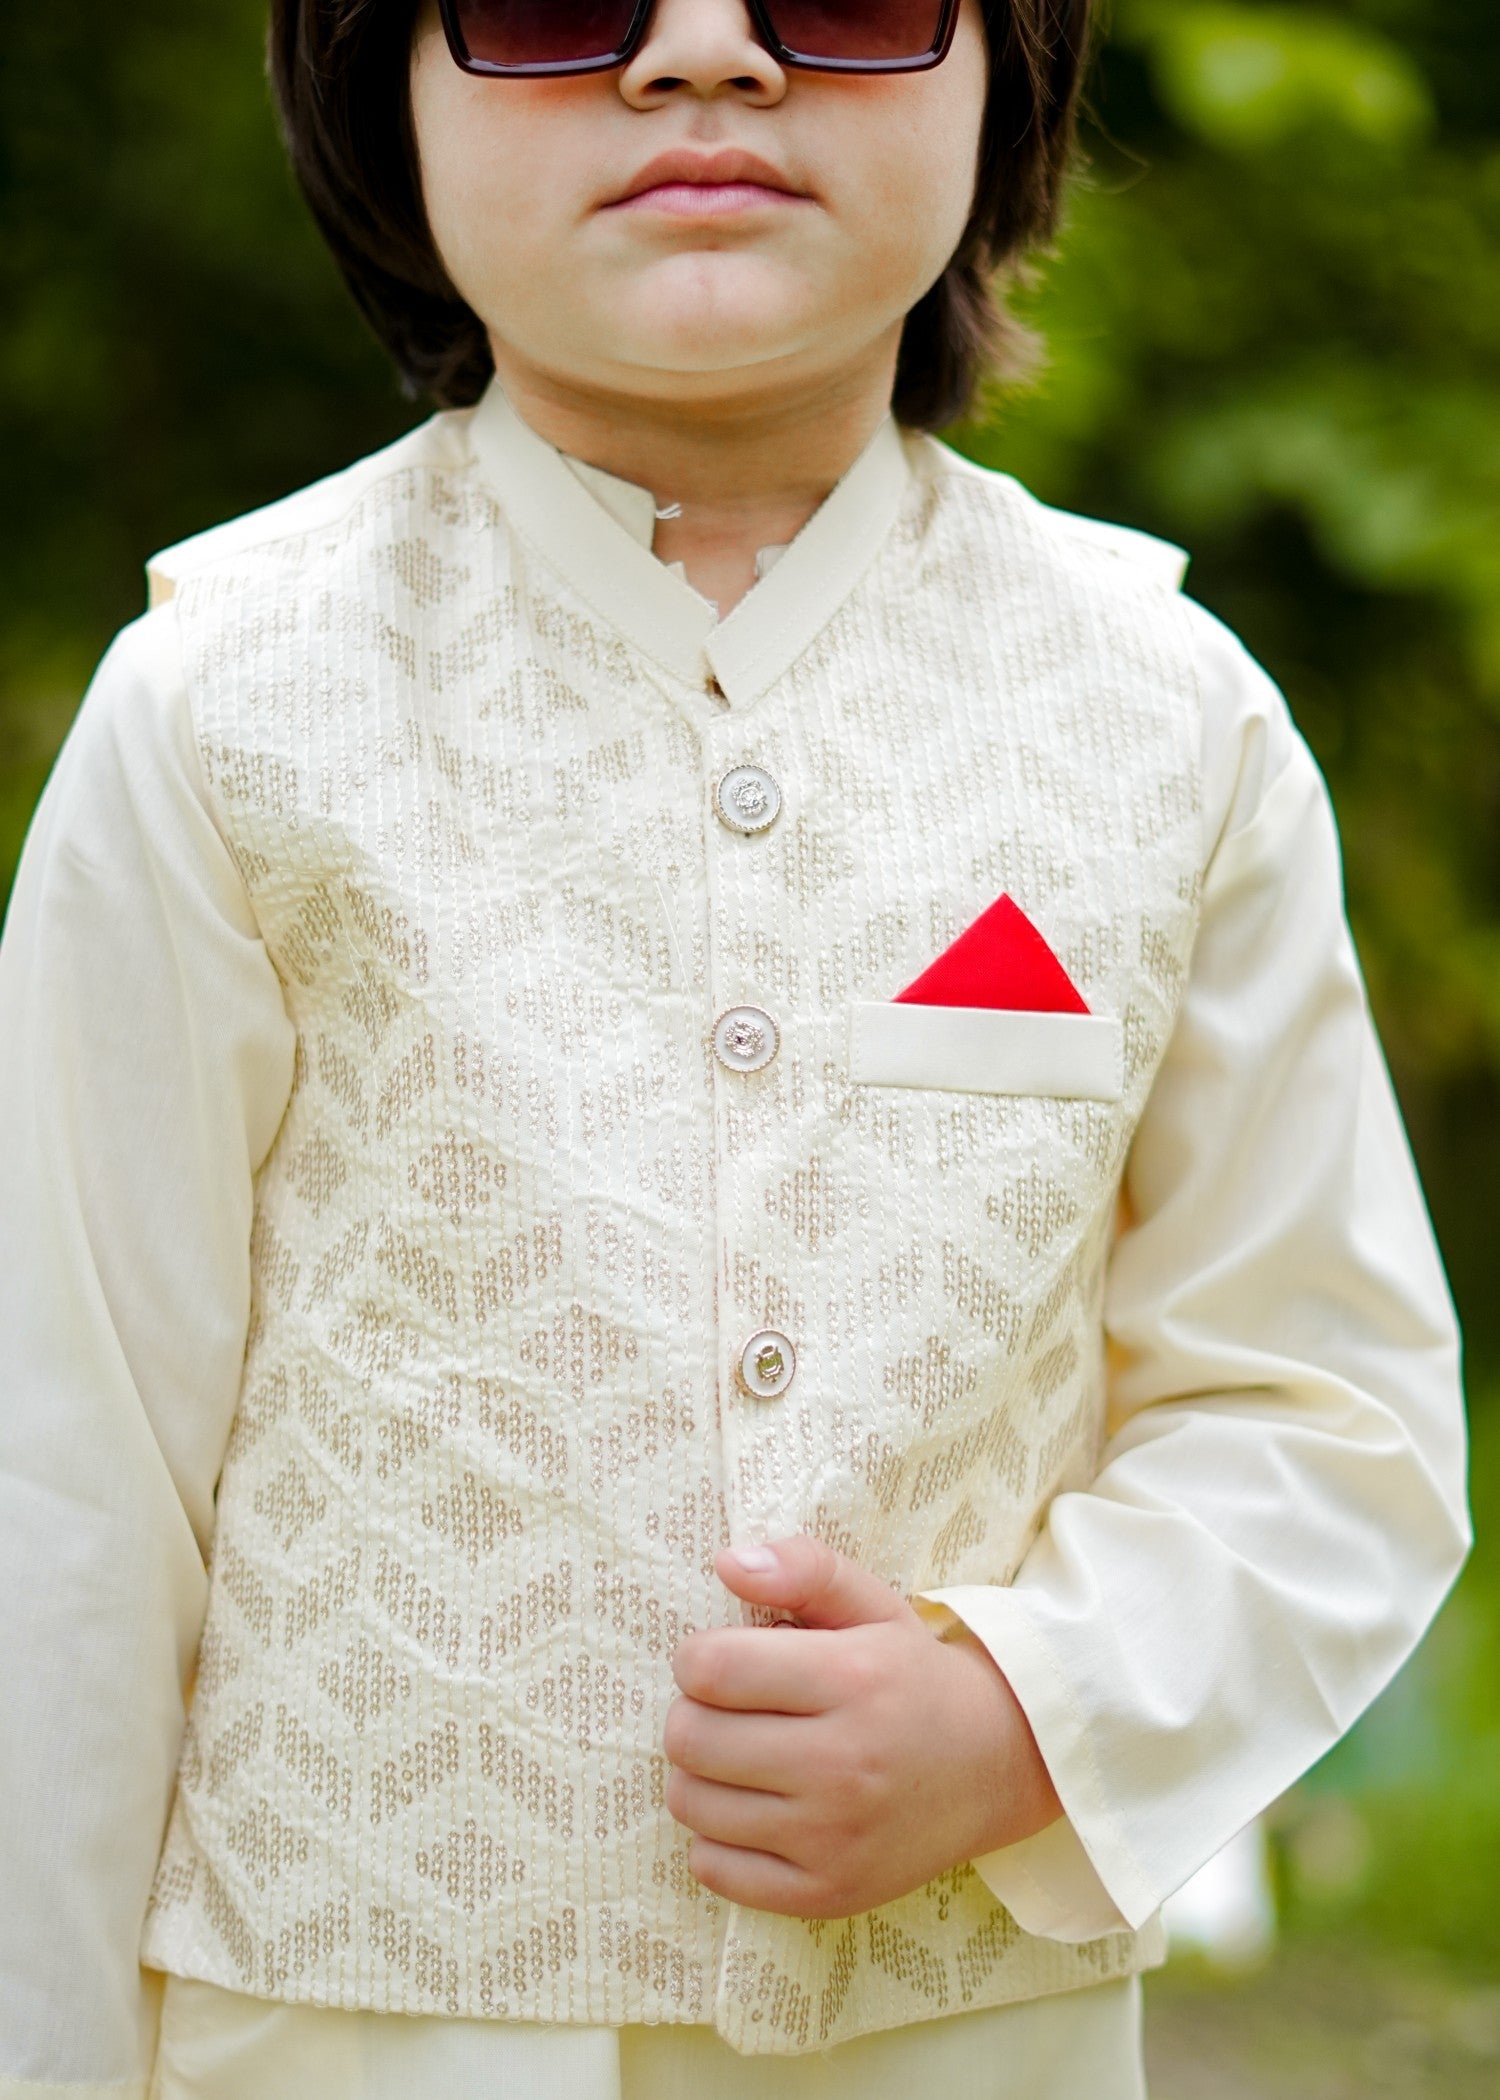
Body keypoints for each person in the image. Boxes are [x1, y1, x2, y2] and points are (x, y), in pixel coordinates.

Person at [0, 1, 1471, 2094]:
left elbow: (1326, 1418)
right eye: (553, 0)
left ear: (1012, 75)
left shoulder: (1173, 723)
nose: (705, 51)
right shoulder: (218, 715)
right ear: (375, 88)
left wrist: (1025, 1714)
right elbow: (59, 1491)